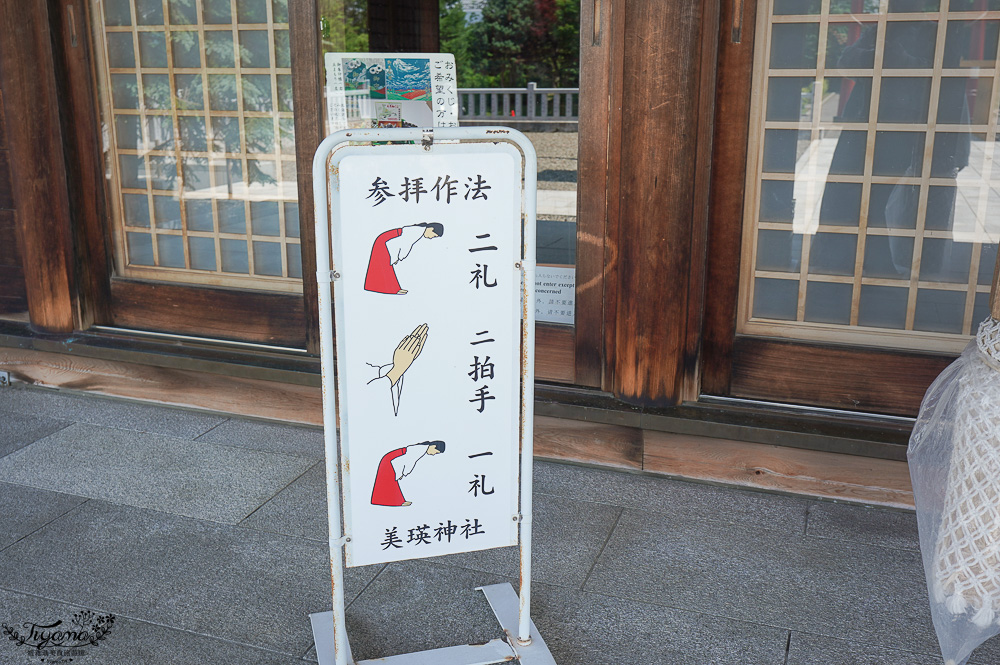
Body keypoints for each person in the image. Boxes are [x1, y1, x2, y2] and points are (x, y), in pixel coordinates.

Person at [364, 223, 444, 294]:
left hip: (387, 241)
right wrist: (398, 257)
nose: (431, 238)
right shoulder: (416, 231)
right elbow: (404, 244)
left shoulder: (418, 231)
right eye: (433, 236)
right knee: (384, 266)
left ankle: (393, 289)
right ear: (431, 229)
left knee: (386, 266)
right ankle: (387, 289)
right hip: (385, 242)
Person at [371, 441, 446, 506]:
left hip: (392, 460)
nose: (433, 454)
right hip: (391, 460)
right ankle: (394, 502)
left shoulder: (421, 449)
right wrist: (402, 473)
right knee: (389, 480)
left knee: (389, 480)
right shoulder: (419, 449)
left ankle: (389, 501)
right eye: (435, 452)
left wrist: (402, 473)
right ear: (433, 446)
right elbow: (407, 461)